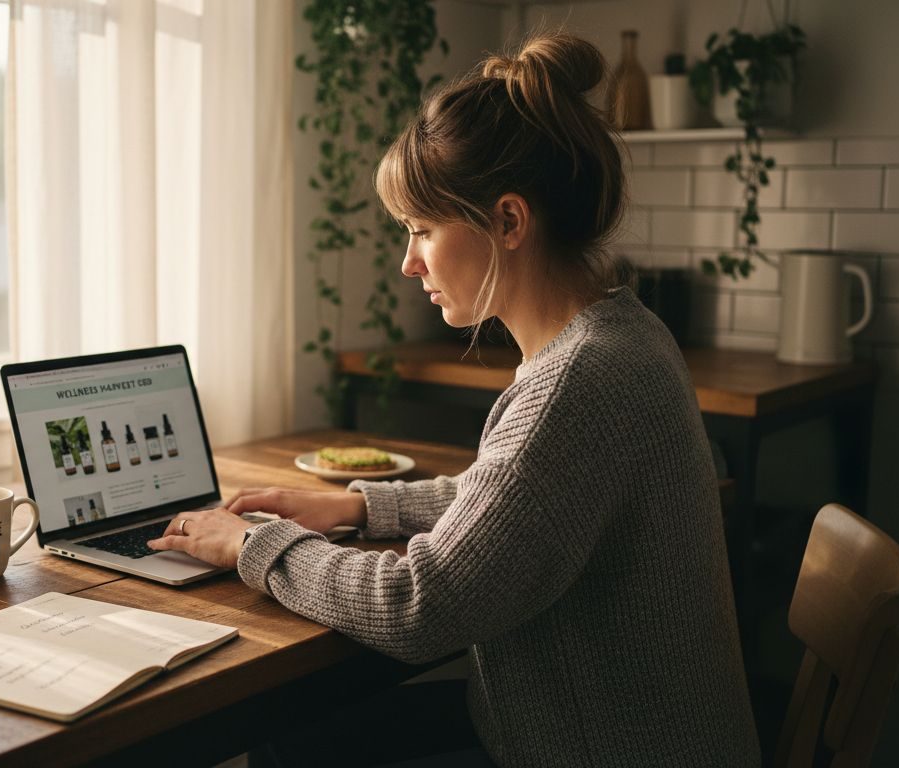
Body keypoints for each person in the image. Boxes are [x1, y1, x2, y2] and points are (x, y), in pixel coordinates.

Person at [149, 31, 760, 767]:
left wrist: (252, 544)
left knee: (290, 749)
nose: (408, 263)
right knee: (303, 741)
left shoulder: (579, 381)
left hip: (597, 750)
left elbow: (419, 607)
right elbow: (513, 503)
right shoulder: (620, 333)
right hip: (611, 738)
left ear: (508, 220)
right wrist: (358, 508)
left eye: (422, 230)